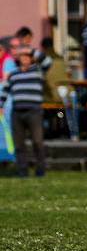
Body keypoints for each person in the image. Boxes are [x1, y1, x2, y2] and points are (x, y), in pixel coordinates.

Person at [0, 48, 45, 177]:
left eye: (27, 56)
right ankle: (22, 171)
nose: (24, 58)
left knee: (37, 141)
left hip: (34, 111)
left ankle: (40, 170)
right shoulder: (14, 73)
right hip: (17, 112)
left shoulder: (38, 71)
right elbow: (5, 90)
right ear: (19, 59)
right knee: (19, 144)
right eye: (22, 56)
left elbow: (46, 60)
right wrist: (1, 105)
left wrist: (30, 49)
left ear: (31, 58)